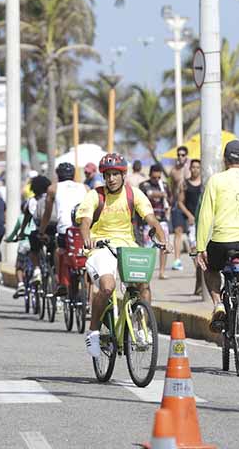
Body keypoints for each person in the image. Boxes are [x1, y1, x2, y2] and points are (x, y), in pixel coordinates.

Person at [76, 153, 170, 359]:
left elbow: (151, 219)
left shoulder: (133, 194)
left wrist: (161, 237)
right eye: (107, 174)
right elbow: (84, 221)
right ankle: (93, 332)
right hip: (100, 246)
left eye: (115, 174)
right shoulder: (95, 195)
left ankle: (141, 327)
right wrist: (86, 238)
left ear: (124, 174)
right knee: (108, 287)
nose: (111, 179)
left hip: (127, 246)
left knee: (143, 285)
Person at [195, 141, 239, 353]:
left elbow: (205, 215)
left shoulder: (215, 181)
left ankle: (218, 303)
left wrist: (201, 248)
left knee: (210, 268)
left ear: (224, 160)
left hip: (222, 240)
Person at [40, 162, 88, 296]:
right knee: (86, 259)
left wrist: (41, 231)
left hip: (64, 230)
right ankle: (88, 299)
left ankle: (61, 282)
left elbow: (47, 214)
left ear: (58, 175)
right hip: (83, 229)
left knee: (59, 250)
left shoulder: (53, 189)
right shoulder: (85, 187)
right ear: (73, 175)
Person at [140, 163, 172, 280]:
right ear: (150, 175)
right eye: (154, 177)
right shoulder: (144, 185)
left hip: (162, 219)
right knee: (148, 248)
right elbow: (150, 194)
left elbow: (170, 198)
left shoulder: (164, 185)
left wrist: (168, 204)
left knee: (164, 244)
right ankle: (147, 271)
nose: (157, 180)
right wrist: (161, 194)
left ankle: (162, 271)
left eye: (159, 177)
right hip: (148, 221)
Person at [177, 158, 203, 295]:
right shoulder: (185, 184)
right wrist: (189, 215)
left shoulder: (205, 183)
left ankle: (201, 284)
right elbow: (180, 202)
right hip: (192, 222)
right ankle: (199, 282)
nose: (195, 169)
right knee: (195, 252)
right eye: (193, 167)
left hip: (203, 222)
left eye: (198, 167)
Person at [5, 198, 36, 292]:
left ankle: (20, 284)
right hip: (34, 243)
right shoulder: (37, 217)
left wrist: (9, 239)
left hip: (24, 244)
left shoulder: (21, 218)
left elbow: (15, 232)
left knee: (19, 266)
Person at [169, 146, 190, 271]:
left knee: (194, 233)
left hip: (190, 204)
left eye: (183, 155)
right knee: (178, 232)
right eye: (179, 155)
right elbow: (172, 188)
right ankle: (177, 260)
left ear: (186, 156)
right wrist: (171, 203)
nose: (180, 157)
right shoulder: (173, 171)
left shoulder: (191, 169)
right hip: (177, 204)